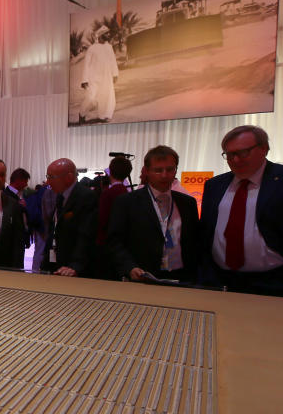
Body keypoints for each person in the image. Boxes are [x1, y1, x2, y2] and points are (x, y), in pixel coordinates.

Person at [199, 125, 283, 295]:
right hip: (220, 281)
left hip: (273, 283)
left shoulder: (280, 180)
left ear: (264, 149)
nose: (236, 160)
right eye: (230, 155)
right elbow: (206, 232)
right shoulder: (214, 185)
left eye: (243, 153)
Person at [106, 146, 199, 283]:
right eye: (158, 170)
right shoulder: (127, 202)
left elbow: (194, 241)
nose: (164, 175)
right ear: (147, 171)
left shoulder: (188, 203)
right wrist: (129, 267)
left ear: (176, 170)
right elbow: (114, 241)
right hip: (143, 276)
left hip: (181, 278)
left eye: (169, 169)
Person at [41, 158, 98, 277]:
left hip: (74, 269)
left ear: (68, 177)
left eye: (51, 177)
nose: (47, 182)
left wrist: (75, 266)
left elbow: (86, 235)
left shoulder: (86, 197)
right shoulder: (60, 196)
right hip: (58, 264)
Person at [79, 26, 119, 124]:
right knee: (90, 98)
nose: (109, 35)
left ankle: (104, 116)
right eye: (106, 33)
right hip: (93, 78)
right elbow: (86, 65)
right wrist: (84, 80)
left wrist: (115, 74)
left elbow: (112, 61)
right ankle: (82, 114)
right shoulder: (92, 48)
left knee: (107, 96)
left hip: (107, 77)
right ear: (100, 35)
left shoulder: (109, 47)